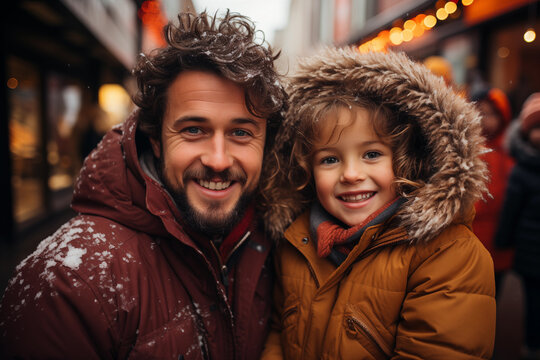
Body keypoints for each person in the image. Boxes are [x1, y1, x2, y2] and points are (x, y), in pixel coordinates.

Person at [0, 10, 287, 359]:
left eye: (241, 133)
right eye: (193, 130)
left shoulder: (276, 244)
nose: (218, 160)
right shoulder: (69, 283)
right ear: (156, 140)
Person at [260, 47, 495, 359]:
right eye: (330, 159)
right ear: (306, 170)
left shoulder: (447, 254)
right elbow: (279, 335)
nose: (352, 174)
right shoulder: (296, 242)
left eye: (372, 154)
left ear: (405, 161)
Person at [495, 93, 540, 360]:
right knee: (534, 301)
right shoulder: (521, 170)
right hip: (530, 251)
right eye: (535, 128)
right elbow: (510, 210)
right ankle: (532, 344)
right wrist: (503, 240)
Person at [470, 87, 514, 294]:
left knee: (492, 294)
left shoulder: (508, 153)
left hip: (499, 238)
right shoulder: (466, 149)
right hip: (470, 235)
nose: (483, 119)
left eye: (490, 114)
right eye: (478, 112)